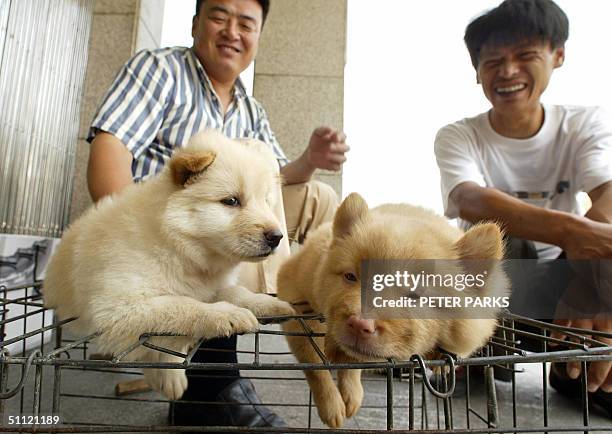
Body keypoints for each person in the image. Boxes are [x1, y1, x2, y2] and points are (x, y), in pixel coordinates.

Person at [86, 0, 349, 429]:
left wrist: (309, 158)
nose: (232, 31)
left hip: (229, 221)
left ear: (258, 38)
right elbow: (110, 149)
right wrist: (124, 237)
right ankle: (216, 379)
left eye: (246, 23)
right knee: (256, 162)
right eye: (219, 16)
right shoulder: (160, 70)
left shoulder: (250, 107)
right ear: (194, 25)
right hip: (167, 233)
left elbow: (272, 188)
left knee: (318, 196)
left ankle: (329, 330)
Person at [434, 0, 612, 415]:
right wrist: (575, 235)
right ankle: (472, 349)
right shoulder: (459, 136)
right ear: (476, 72)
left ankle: (577, 366)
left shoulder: (582, 124)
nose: (508, 71)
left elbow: (609, 195)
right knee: (497, 229)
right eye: (492, 60)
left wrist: (586, 272)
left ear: (558, 55)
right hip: (493, 293)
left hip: (566, 291)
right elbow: (468, 200)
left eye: (525, 55)